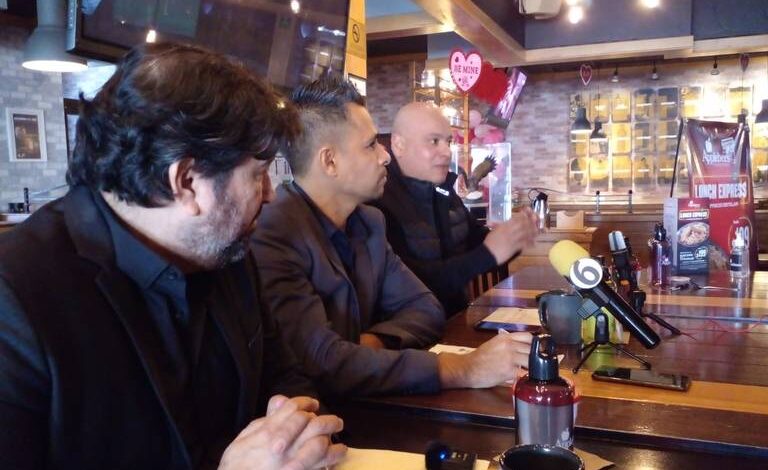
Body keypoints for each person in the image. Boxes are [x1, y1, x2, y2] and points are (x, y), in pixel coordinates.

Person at [0, 43, 345, 470]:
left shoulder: (229, 256)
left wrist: (299, 431)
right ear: (185, 181)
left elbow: (286, 379)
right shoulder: (16, 298)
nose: (271, 194)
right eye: (258, 175)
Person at [251, 76, 532, 399]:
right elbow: (323, 363)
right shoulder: (274, 232)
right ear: (330, 161)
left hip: (373, 400)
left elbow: (427, 308)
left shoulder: (369, 223)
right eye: (371, 145)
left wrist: (370, 345)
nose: (384, 156)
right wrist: (464, 368)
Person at [372, 102, 540, 316]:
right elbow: (413, 286)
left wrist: (513, 236)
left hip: (455, 322)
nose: (446, 152)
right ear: (399, 145)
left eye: (448, 141)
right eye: (434, 141)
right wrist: (488, 253)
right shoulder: (379, 202)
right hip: (410, 331)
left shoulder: (445, 192)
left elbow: (478, 245)